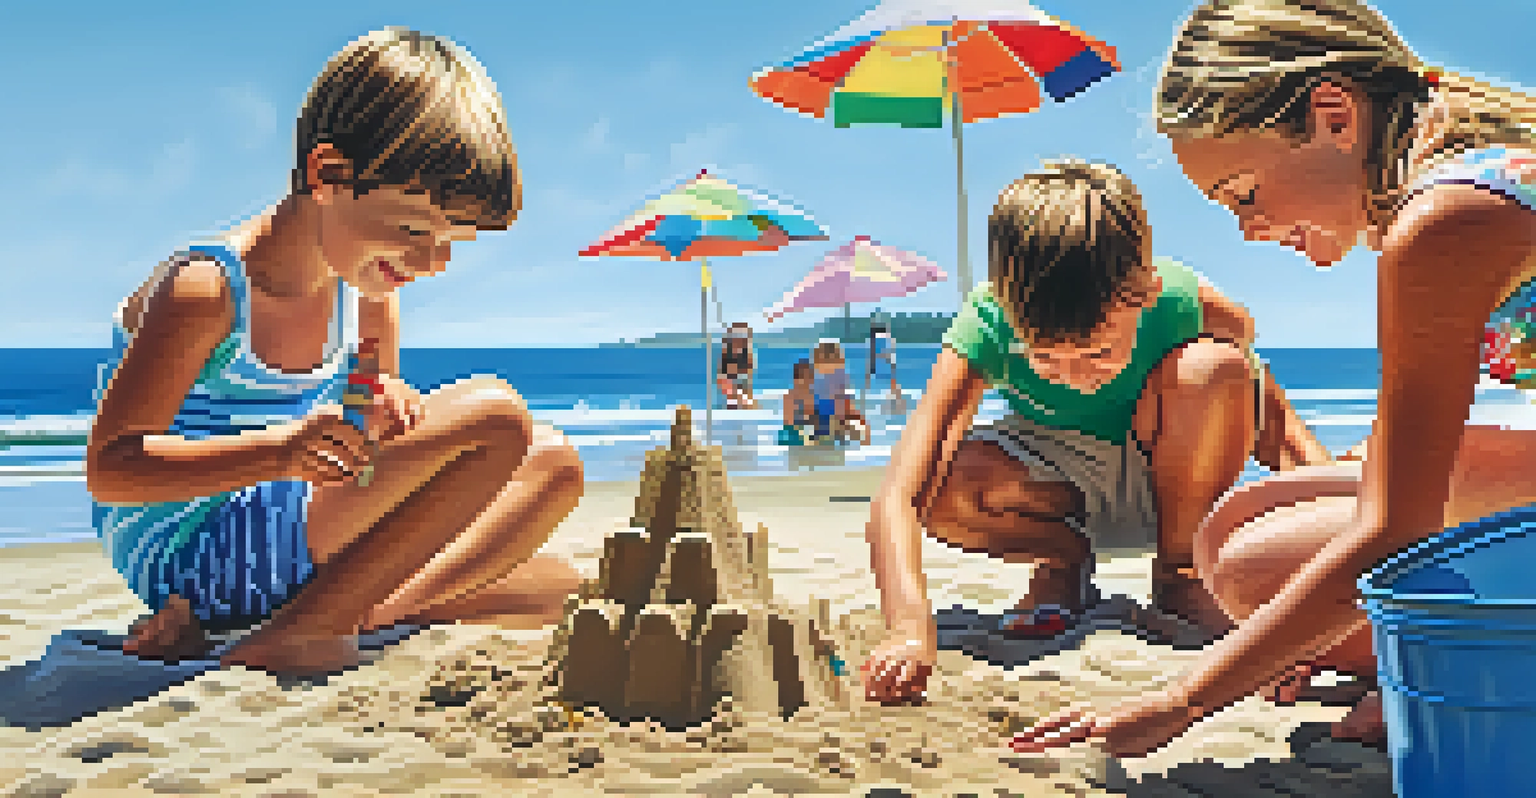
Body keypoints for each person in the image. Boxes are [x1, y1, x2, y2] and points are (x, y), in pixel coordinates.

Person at [1012, 0, 1536, 757]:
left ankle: (1451, 670)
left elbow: (1398, 530)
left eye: (1244, 193)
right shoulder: (1474, 173)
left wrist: (1182, 700)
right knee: (1237, 526)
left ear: (1333, 115)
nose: (1248, 230)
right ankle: (1422, 658)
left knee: (1263, 565)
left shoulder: (1445, 220)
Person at [86, 28, 585, 678]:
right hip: (192, 548)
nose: (434, 262)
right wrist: (281, 452)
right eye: (415, 230)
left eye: (452, 240)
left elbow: (361, 402)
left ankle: (314, 619)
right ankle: (309, 626)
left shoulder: (369, 283)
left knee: (555, 499)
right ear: (327, 174)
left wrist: (377, 400)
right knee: (496, 417)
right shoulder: (209, 289)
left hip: (289, 523)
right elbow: (112, 470)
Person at [861, 158, 1335, 705]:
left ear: (1147, 292)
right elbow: (899, 491)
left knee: (1217, 368)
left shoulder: (1199, 307)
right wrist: (908, 626)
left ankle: (1180, 573)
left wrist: (1338, 511)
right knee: (943, 485)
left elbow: (1274, 424)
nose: (1075, 376)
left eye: (1099, 353)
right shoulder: (987, 323)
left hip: (1168, 479)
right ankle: (1062, 561)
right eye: (1045, 358)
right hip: (1057, 486)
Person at [811, 340, 870, 444]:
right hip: (834, 417)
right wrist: (861, 421)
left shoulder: (815, 378)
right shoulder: (839, 375)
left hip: (820, 417)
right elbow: (843, 402)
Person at [868, 318, 905, 414]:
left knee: (891, 387)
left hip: (879, 365)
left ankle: (892, 405)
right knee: (893, 386)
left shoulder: (876, 340)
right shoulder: (884, 339)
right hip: (883, 364)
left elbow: (876, 354)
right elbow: (887, 352)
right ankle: (895, 405)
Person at [717, 322, 757, 409]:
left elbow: (749, 372)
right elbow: (722, 377)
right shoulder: (727, 355)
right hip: (731, 389)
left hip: (739, 389)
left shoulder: (746, 355)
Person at [779, 358, 816, 445]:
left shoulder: (813, 396)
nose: (808, 381)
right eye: (805, 377)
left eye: (810, 378)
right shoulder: (790, 398)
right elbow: (789, 425)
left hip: (808, 433)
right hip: (794, 435)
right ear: (796, 379)